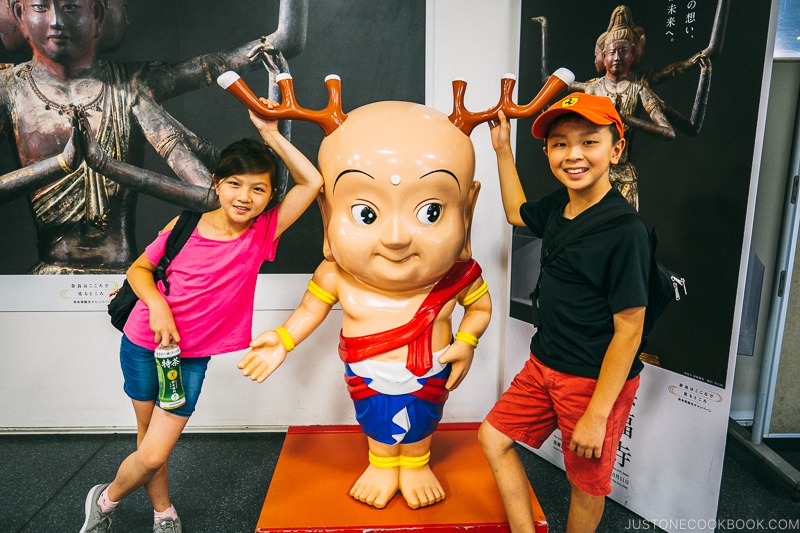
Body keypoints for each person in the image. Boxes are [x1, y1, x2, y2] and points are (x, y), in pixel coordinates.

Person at [78, 99, 323, 533]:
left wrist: (269, 134)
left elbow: (313, 180)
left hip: (190, 356)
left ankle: (105, 499)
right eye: (234, 184)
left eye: (258, 188)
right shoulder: (187, 223)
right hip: (141, 343)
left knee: (153, 451)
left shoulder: (262, 233)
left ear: (269, 196)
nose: (244, 197)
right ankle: (163, 513)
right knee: (148, 438)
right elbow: (139, 269)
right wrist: (156, 305)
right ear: (216, 182)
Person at [237, 100, 492, 510]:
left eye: (430, 212)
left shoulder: (458, 279)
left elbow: (479, 309)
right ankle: (380, 461)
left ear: (467, 210)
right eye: (365, 213)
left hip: (430, 371)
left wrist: (467, 340)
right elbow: (309, 312)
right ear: (327, 213)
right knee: (374, 414)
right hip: (366, 372)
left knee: (423, 417)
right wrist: (284, 338)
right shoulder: (336, 276)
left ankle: (416, 463)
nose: (395, 237)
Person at [0, 0, 306, 273]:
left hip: (124, 274)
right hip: (49, 278)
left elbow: (281, 42)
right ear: (18, 12)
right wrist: (62, 165)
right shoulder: (8, 87)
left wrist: (104, 165)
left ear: (97, 13)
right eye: (40, 6)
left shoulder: (131, 87)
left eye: (70, 7)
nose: (56, 20)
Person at [479, 92, 651, 533]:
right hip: (544, 363)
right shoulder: (559, 205)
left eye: (589, 142)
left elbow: (630, 330)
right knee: (493, 437)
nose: (573, 154)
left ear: (616, 149)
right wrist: (501, 149)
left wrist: (597, 414)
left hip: (592, 381)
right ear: (548, 152)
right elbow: (518, 213)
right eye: (560, 143)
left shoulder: (624, 230)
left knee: (586, 483)